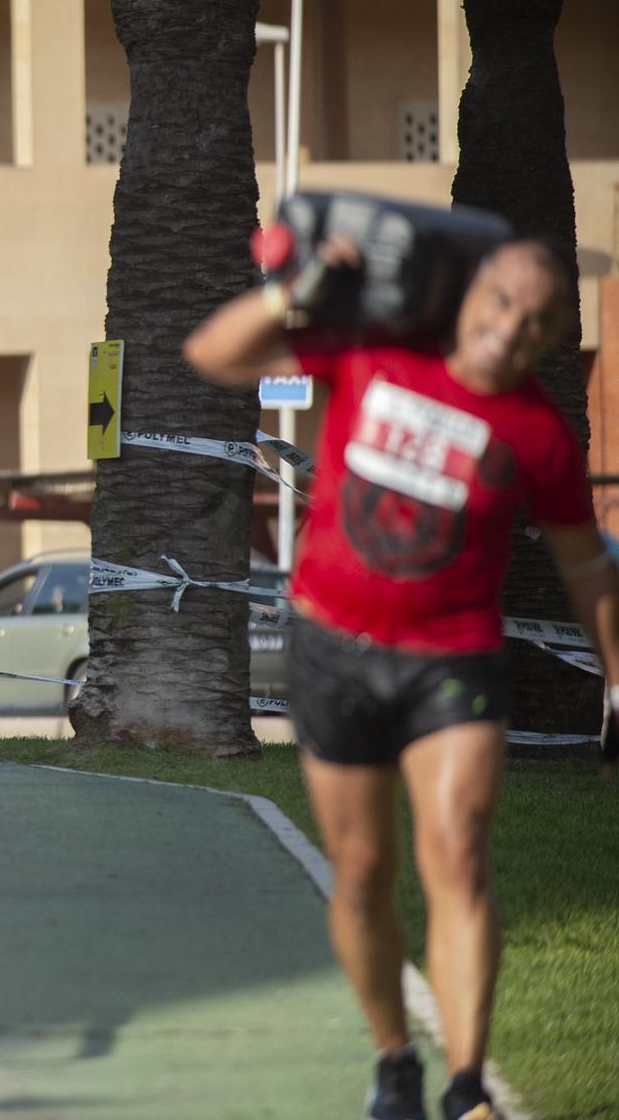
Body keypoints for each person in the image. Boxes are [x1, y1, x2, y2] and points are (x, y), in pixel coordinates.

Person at [185, 233, 619, 1120]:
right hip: (333, 647)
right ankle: (395, 1057)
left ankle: (467, 1087)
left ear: (550, 338)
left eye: (537, 321)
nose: (512, 328)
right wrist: (289, 290)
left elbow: (585, 565)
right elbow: (210, 355)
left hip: (452, 657)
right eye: (502, 302)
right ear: (469, 296)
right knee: (362, 872)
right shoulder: (378, 350)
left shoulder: (537, 431)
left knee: (458, 853)